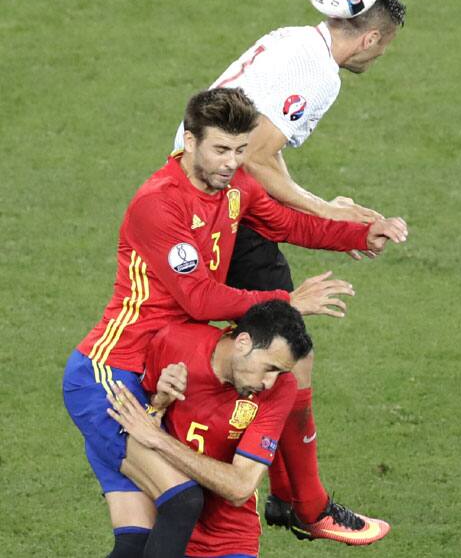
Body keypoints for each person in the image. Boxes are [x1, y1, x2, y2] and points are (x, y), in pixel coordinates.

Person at [63, 87, 407, 556]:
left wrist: (361, 232)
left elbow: (287, 224)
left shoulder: (236, 187)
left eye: (241, 149)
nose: (231, 161)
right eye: (221, 149)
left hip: (162, 369)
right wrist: (287, 300)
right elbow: (200, 298)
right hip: (112, 372)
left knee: (136, 542)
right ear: (190, 141)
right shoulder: (159, 204)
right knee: (182, 503)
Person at [172, 0, 407, 541]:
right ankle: (303, 503)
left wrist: (332, 220)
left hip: (209, 194)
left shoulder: (295, 40)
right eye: (385, 45)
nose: (381, 55)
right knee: (284, 351)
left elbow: (259, 152)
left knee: (268, 344)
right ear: (370, 36)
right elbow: (252, 156)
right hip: (218, 202)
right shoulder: (321, 74)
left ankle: (283, 494)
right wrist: (329, 211)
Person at [106, 300, 390, 558]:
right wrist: (159, 402)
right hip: (164, 524)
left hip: (228, 541)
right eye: (269, 367)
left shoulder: (279, 390)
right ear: (242, 342)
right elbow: (137, 421)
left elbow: (240, 487)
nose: (270, 382)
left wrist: (159, 440)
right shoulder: (174, 343)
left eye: (279, 372)